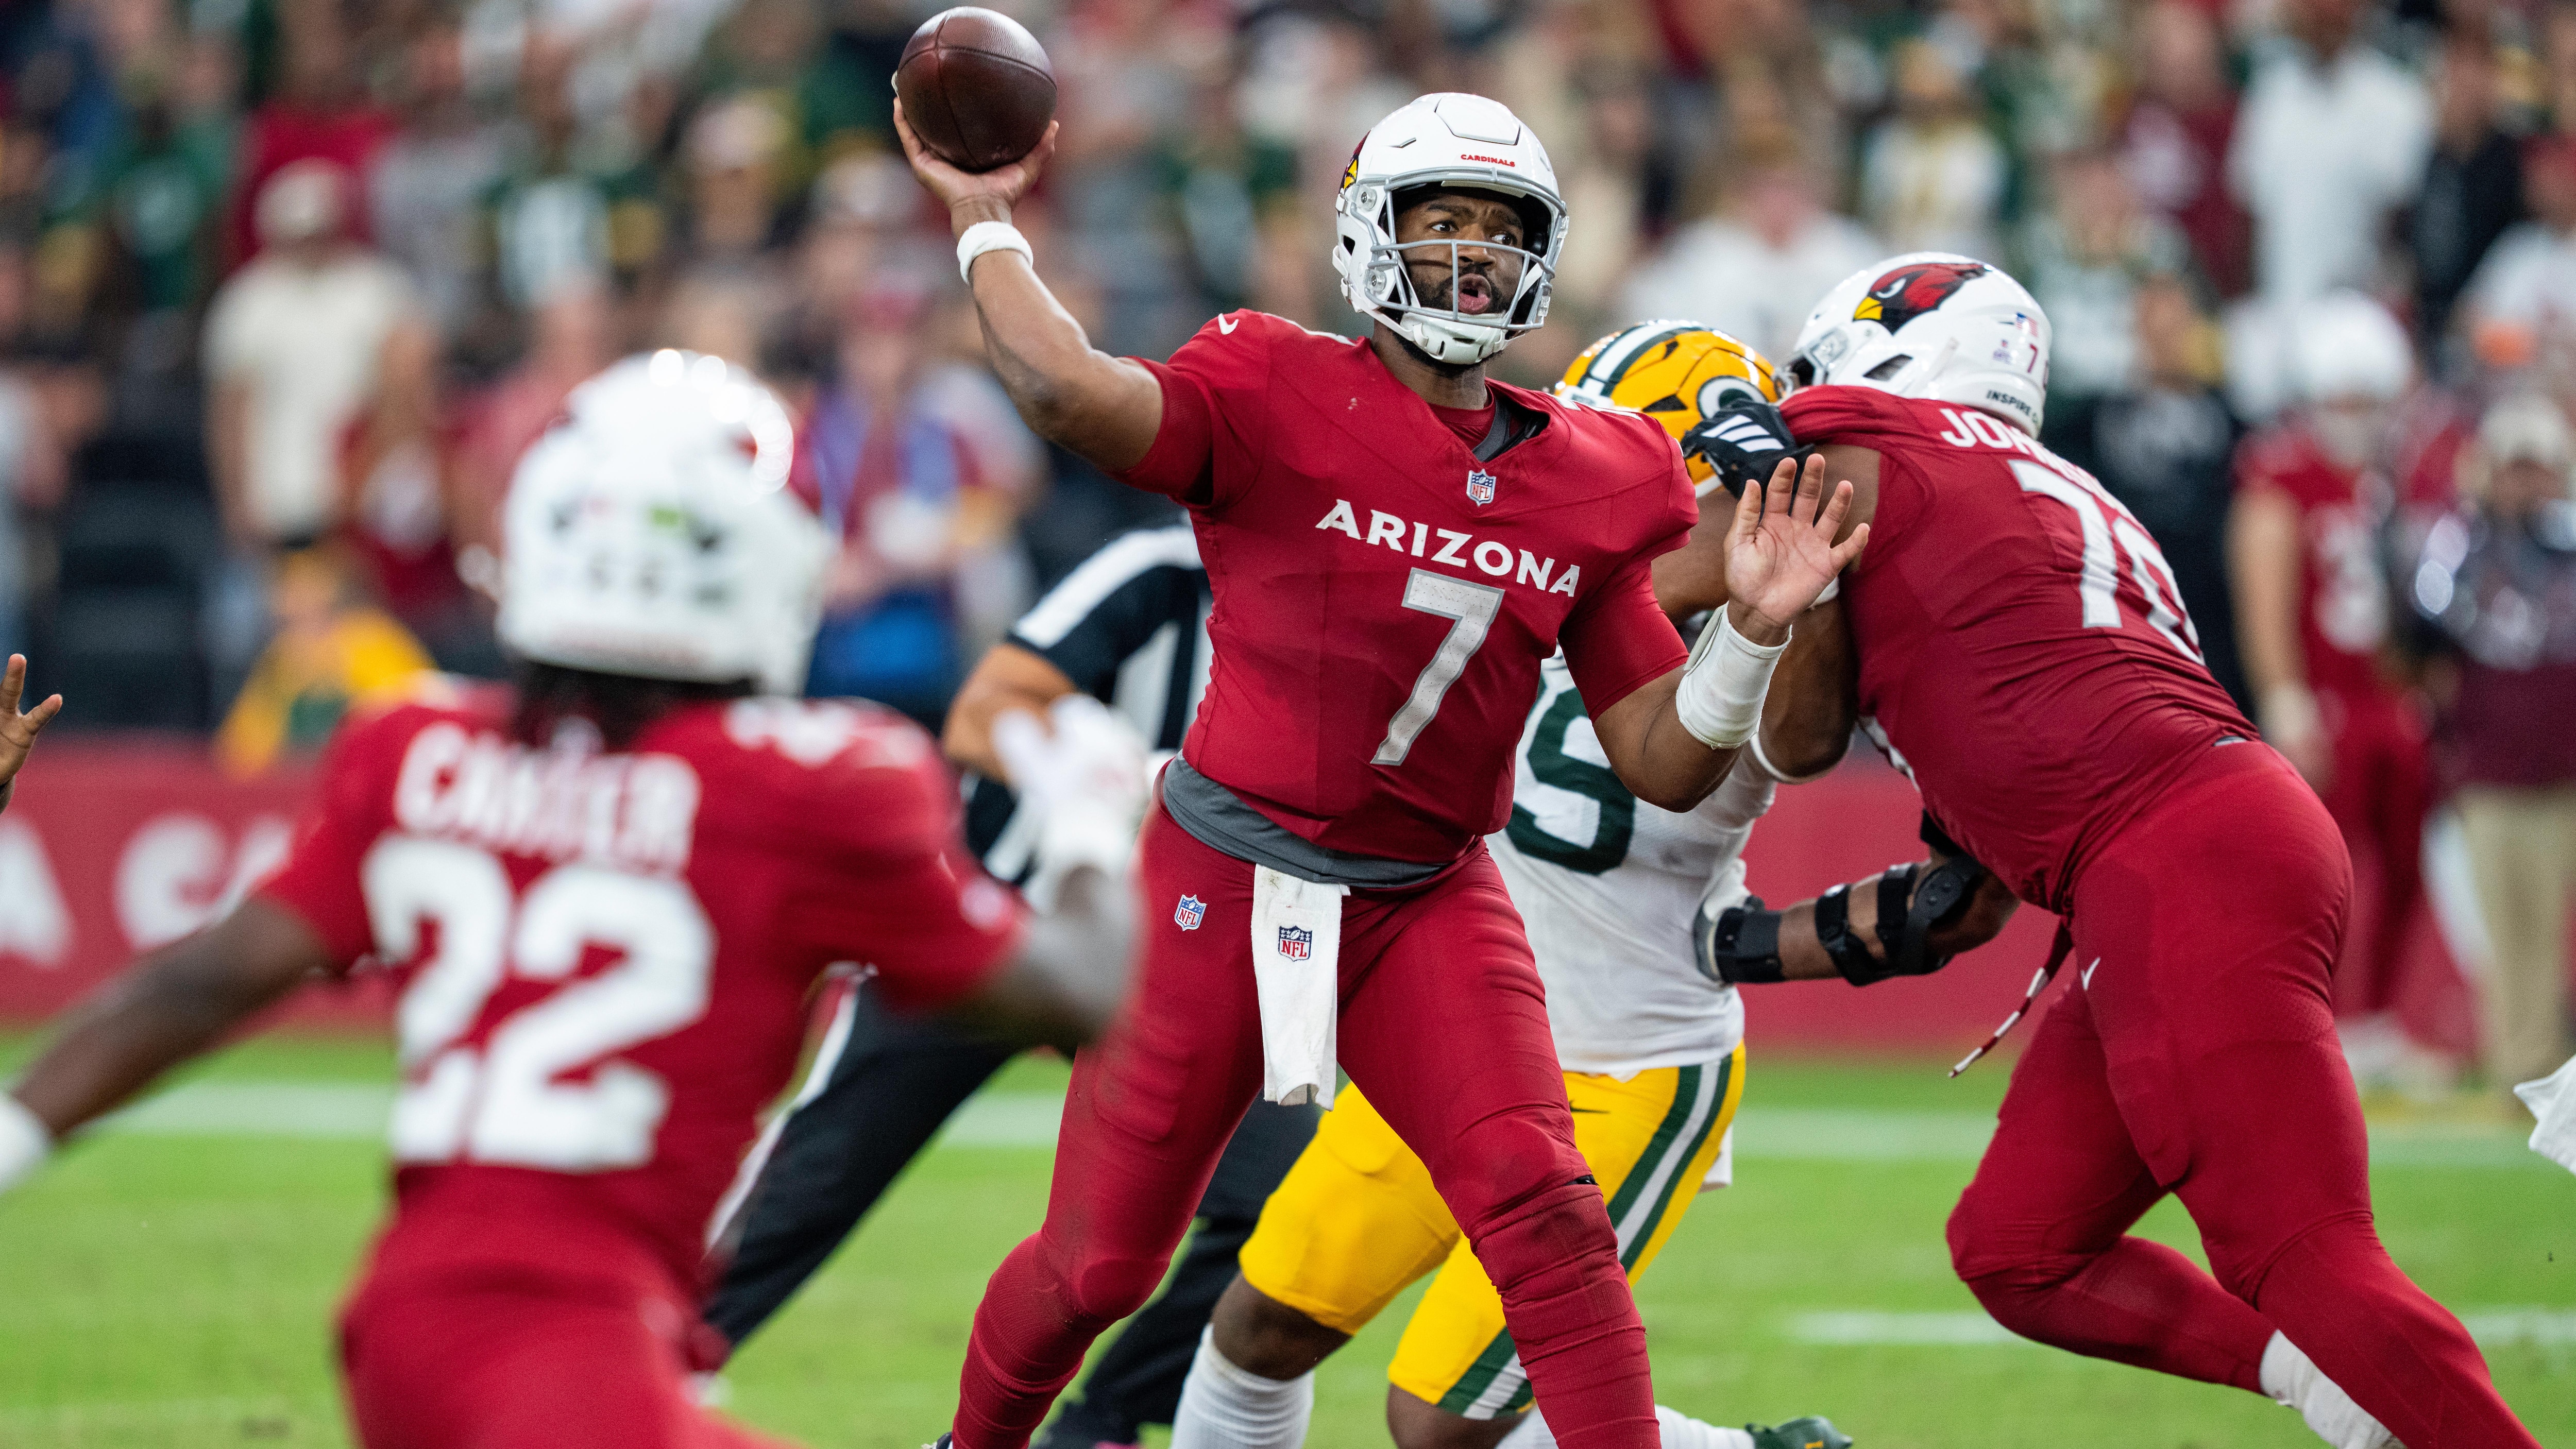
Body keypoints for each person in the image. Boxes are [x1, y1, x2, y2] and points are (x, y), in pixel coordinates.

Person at [897, 90, 1863, 1449]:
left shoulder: (1598, 471)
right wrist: (987, 222)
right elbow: (1070, 389)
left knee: (1549, 1218)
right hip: (1223, 869)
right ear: (1370, 235)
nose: (1471, 252)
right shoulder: (1273, 383)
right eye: (1441, 220)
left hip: (1423, 895)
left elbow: (1659, 753)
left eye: (1499, 228)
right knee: (1100, 1266)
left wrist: (1755, 631)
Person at [0, 352, 1142, 1449]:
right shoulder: (816, 789)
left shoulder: (418, 747)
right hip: (553, 1350)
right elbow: (1080, 991)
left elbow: (201, 983)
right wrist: (1089, 818)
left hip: (426, 1325)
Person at [1704, 252, 2541, 1449]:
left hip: (2175, 858)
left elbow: (1743, 535)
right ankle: (2328, 1389)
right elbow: (1961, 903)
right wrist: (1738, 948)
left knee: (2305, 1255)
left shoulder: (1873, 439)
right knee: (2021, 1246)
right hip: (2197, 843)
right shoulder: (2040, 503)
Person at [1167, 325, 2001, 1449]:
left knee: (1443, 1423)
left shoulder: (1772, 622)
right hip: (1458, 1037)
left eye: (1627, 453)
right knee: (1257, 1329)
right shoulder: (1534, 555)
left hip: (1626, 1067)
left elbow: (1809, 744)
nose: (1586, 478)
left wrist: (1799, 576)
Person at [701, 522, 1323, 1449]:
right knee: (812, 1175)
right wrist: (1098, 778)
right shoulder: (1157, 575)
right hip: (999, 925)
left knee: (1281, 1200)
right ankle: (643, 1357)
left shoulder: (1368, 612)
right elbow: (980, 714)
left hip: (1205, 953)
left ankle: (1101, 1424)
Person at [2227, 292, 2449, 1078]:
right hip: (2326, 695)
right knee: (2323, 869)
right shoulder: (2284, 470)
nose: (2355, 415)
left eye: (2368, 399)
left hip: (2391, 694)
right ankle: (2320, 1020)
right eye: (2342, 398)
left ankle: (2381, 1021)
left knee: (2406, 857)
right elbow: (2265, 583)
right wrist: (2283, 693)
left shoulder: (2402, 473)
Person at [2399, 394, 2576, 1102]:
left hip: (2567, 766)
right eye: (2516, 469)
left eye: (2539, 469)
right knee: (2516, 928)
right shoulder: (2458, 544)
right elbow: (2421, 631)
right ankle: (2527, 1070)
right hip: (2495, 770)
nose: (2526, 485)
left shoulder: (2569, 541)